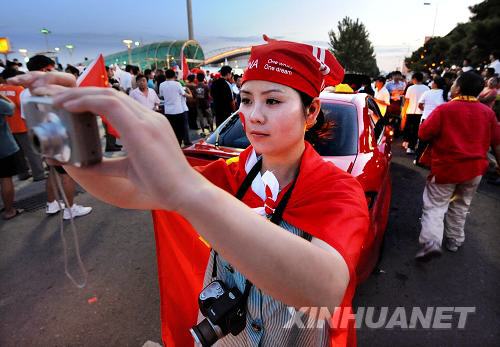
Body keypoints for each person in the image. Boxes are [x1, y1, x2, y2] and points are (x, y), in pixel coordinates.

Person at [10, 36, 370, 346]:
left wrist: (189, 189)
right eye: (246, 99)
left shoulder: (337, 189)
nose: (254, 116)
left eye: (273, 101)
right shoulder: (232, 173)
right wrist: (74, 135)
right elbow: (130, 190)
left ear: (310, 113)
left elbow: (324, 290)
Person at [415, 72, 499, 260]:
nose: (451, 86)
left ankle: (431, 244)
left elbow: (423, 133)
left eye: (454, 83)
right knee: (461, 205)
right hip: (474, 170)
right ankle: (454, 240)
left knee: (436, 206)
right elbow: (497, 142)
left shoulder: (445, 110)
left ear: (459, 88)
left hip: (447, 168)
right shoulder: (488, 113)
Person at [23, 54, 92, 219]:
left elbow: (25, 118)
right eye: (51, 68)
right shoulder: (48, 90)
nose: (53, 71)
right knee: (67, 173)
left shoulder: (24, 93)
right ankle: (70, 209)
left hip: (39, 138)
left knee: (53, 171)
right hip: (57, 137)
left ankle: (52, 203)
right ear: (44, 69)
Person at [0, 69, 46, 181]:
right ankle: (38, 174)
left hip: (9, 127)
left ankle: (23, 173)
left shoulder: (1, 89)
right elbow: (25, 106)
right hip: (22, 125)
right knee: (32, 151)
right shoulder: (19, 89)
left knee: (19, 153)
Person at [0, 94, 24, 220]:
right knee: (5, 178)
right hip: (3, 147)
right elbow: (11, 108)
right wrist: (3, 96)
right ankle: (9, 210)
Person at [415, 76, 448, 163]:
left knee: (422, 141)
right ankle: (432, 161)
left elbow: (420, 105)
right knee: (435, 142)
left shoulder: (427, 93)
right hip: (440, 121)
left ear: (435, 84)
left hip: (426, 119)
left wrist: (425, 110)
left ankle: (418, 159)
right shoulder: (446, 94)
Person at [159, 69, 192, 145]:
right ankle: (179, 145)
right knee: (180, 130)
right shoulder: (177, 84)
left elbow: (162, 96)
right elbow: (184, 94)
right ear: (174, 75)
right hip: (178, 111)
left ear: (165, 75)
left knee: (172, 130)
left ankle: (174, 145)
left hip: (168, 111)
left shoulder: (161, 85)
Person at [402, 72, 429, 154]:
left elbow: (407, 101)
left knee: (408, 128)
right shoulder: (427, 88)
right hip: (421, 112)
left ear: (414, 79)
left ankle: (408, 145)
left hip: (410, 111)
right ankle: (413, 146)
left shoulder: (410, 88)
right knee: (416, 130)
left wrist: (404, 111)